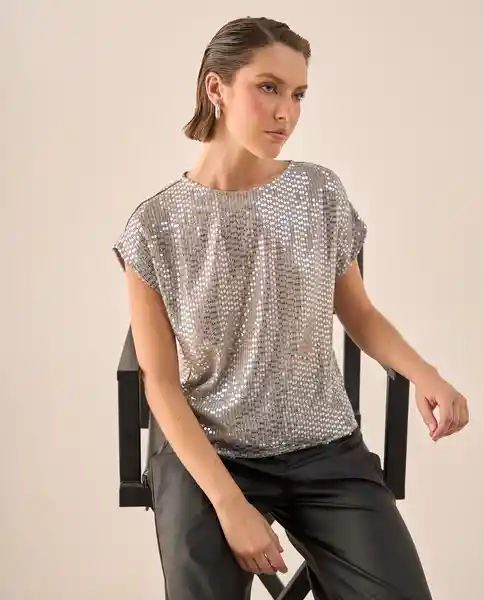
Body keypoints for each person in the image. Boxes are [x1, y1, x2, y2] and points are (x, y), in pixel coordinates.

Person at [113, 16, 469, 600]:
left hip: (323, 446)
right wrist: (229, 504)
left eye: (298, 94)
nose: (287, 112)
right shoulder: (154, 227)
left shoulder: (317, 192)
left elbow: (360, 314)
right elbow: (162, 385)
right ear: (216, 87)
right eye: (269, 87)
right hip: (209, 451)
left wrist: (425, 374)